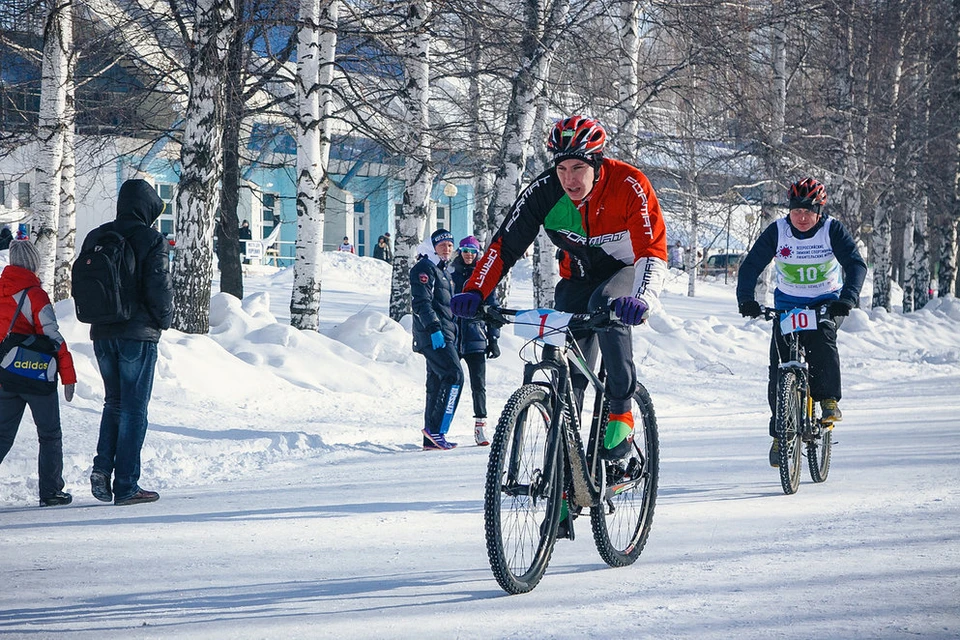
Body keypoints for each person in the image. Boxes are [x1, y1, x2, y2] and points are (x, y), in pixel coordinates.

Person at [451, 115, 668, 463]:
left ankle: (621, 410)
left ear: (596, 163)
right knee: (567, 378)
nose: (569, 179)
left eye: (578, 167)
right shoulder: (545, 191)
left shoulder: (629, 185)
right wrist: (476, 291)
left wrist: (642, 299)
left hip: (626, 272)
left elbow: (652, 251)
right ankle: (564, 483)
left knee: (607, 303)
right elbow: (504, 246)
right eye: (562, 168)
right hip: (576, 280)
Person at [736, 178, 866, 466]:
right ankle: (780, 434)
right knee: (779, 363)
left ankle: (828, 400)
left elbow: (855, 264)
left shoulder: (832, 230)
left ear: (820, 211)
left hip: (827, 302)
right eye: (796, 211)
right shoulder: (778, 232)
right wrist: (746, 298)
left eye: (808, 212)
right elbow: (751, 265)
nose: (802, 218)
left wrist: (848, 298)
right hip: (789, 305)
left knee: (821, 336)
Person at [82, 179, 173, 506]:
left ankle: (102, 468)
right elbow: (158, 288)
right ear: (146, 207)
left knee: (114, 403)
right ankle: (127, 485)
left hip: (102, 332)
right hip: (138, 334)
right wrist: (165, 319)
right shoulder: (152, 239)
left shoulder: (97, 236)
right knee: (135, 409)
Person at [0, 240, 77, 507]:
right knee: (49, 433)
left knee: (2, 434)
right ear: (33, 263)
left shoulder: (1, 290)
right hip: (36, 375)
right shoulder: (34, 295)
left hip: (5, 374)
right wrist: (68, 376)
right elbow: (54, 339)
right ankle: (51, 492)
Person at [411, 229, 464, 450]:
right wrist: (433, 328)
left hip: (444, 334)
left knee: (435, 383)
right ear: (433, 247)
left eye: (450, 246)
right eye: (443, 245)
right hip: (432, 334)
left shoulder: (443, 272)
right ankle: (438, 430)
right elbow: (421, 302)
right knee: (454, 376)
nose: (447, 249)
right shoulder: (424, 268)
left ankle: (430, 438)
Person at [449, 235, 500, 446]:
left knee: (479, 386)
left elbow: (493, 309)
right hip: (453, 338)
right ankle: (440, 428)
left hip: (475, 339)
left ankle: (480, 427)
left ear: (477, 254)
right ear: (460, 252)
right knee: (450, 383)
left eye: (472, 251)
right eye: (465, 250)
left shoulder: (483, 277)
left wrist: (493, 338)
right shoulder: (450, 275)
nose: (468, 255)